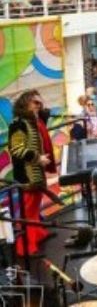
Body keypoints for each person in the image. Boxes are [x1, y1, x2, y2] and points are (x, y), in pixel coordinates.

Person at [8, 91, 56, 256]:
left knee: (35, 206)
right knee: (27, 211)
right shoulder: (18, 124)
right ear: (25, 104)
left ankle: (38, 235)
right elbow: (16, 149)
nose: (39, 105)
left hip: (36, 172)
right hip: (26, 175)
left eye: (39, 102)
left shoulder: (35, 121)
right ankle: (26, 247)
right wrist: (38, 158)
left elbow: (45, 113)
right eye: (35, 102)